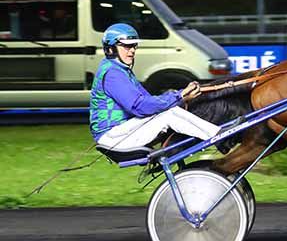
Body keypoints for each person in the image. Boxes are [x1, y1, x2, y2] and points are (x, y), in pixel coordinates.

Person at [89, 23, 221, 150]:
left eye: (134, 46)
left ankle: (217, 134)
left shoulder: (121, 70)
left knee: (169, 111)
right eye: (126, 46)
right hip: (112, 137)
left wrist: (180, 96)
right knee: (170, 115)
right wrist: (179, 96)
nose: (132, 51)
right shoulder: (113, 74)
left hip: (121, 131)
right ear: (111, 49)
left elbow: (149, 101)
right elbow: (140, 107)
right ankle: (220, 136)